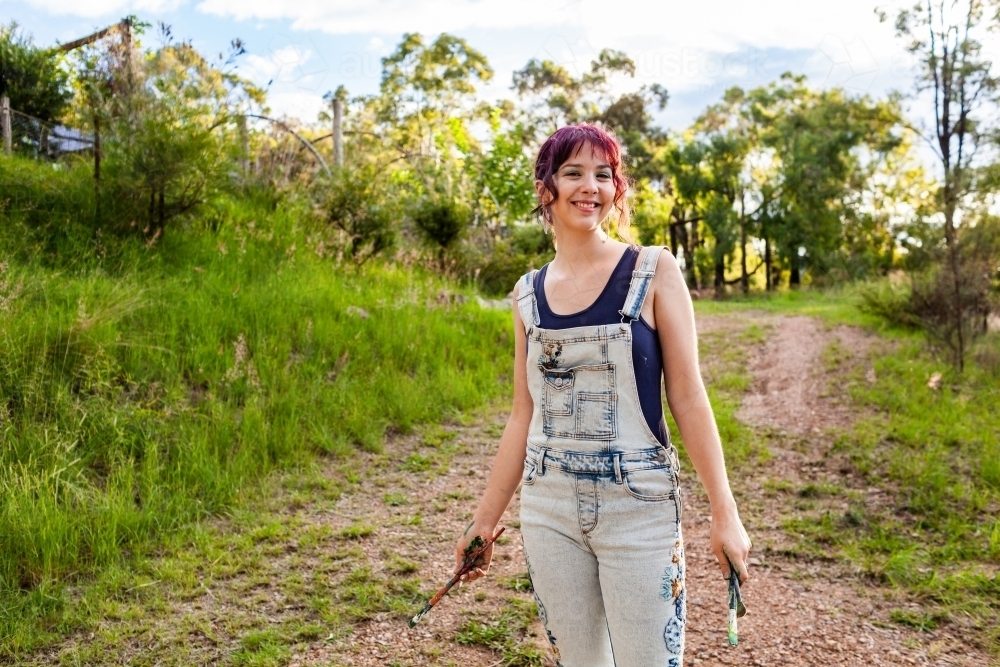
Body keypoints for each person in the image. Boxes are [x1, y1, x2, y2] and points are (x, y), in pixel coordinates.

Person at [454, 123, 752, 667]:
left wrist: (724, 511)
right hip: (548, 508)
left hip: (639, 506)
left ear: (617, 190)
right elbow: (524, 415)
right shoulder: (526, 295)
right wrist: (485, 520)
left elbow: (687, 395)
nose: (590, 186)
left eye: (603, 174)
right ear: (547, 188)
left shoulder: (654, 270)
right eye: (573, 173)